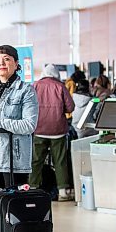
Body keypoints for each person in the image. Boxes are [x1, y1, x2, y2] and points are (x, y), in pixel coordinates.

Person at [0, 45, 39, 188]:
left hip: (13, 157)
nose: (2, 63)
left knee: (14, 205)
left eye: (7, 59)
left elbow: (29, 125)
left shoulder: (25, 90)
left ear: (16, 64)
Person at [29, 64, 75, 201]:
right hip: (58, 130)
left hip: (39, 128)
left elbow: (28, 106)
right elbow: (70, 107)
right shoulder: (60, 86)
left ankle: (33, 187)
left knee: (36, 160)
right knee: (60, 160)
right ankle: (63, 191)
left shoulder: (35, 85)